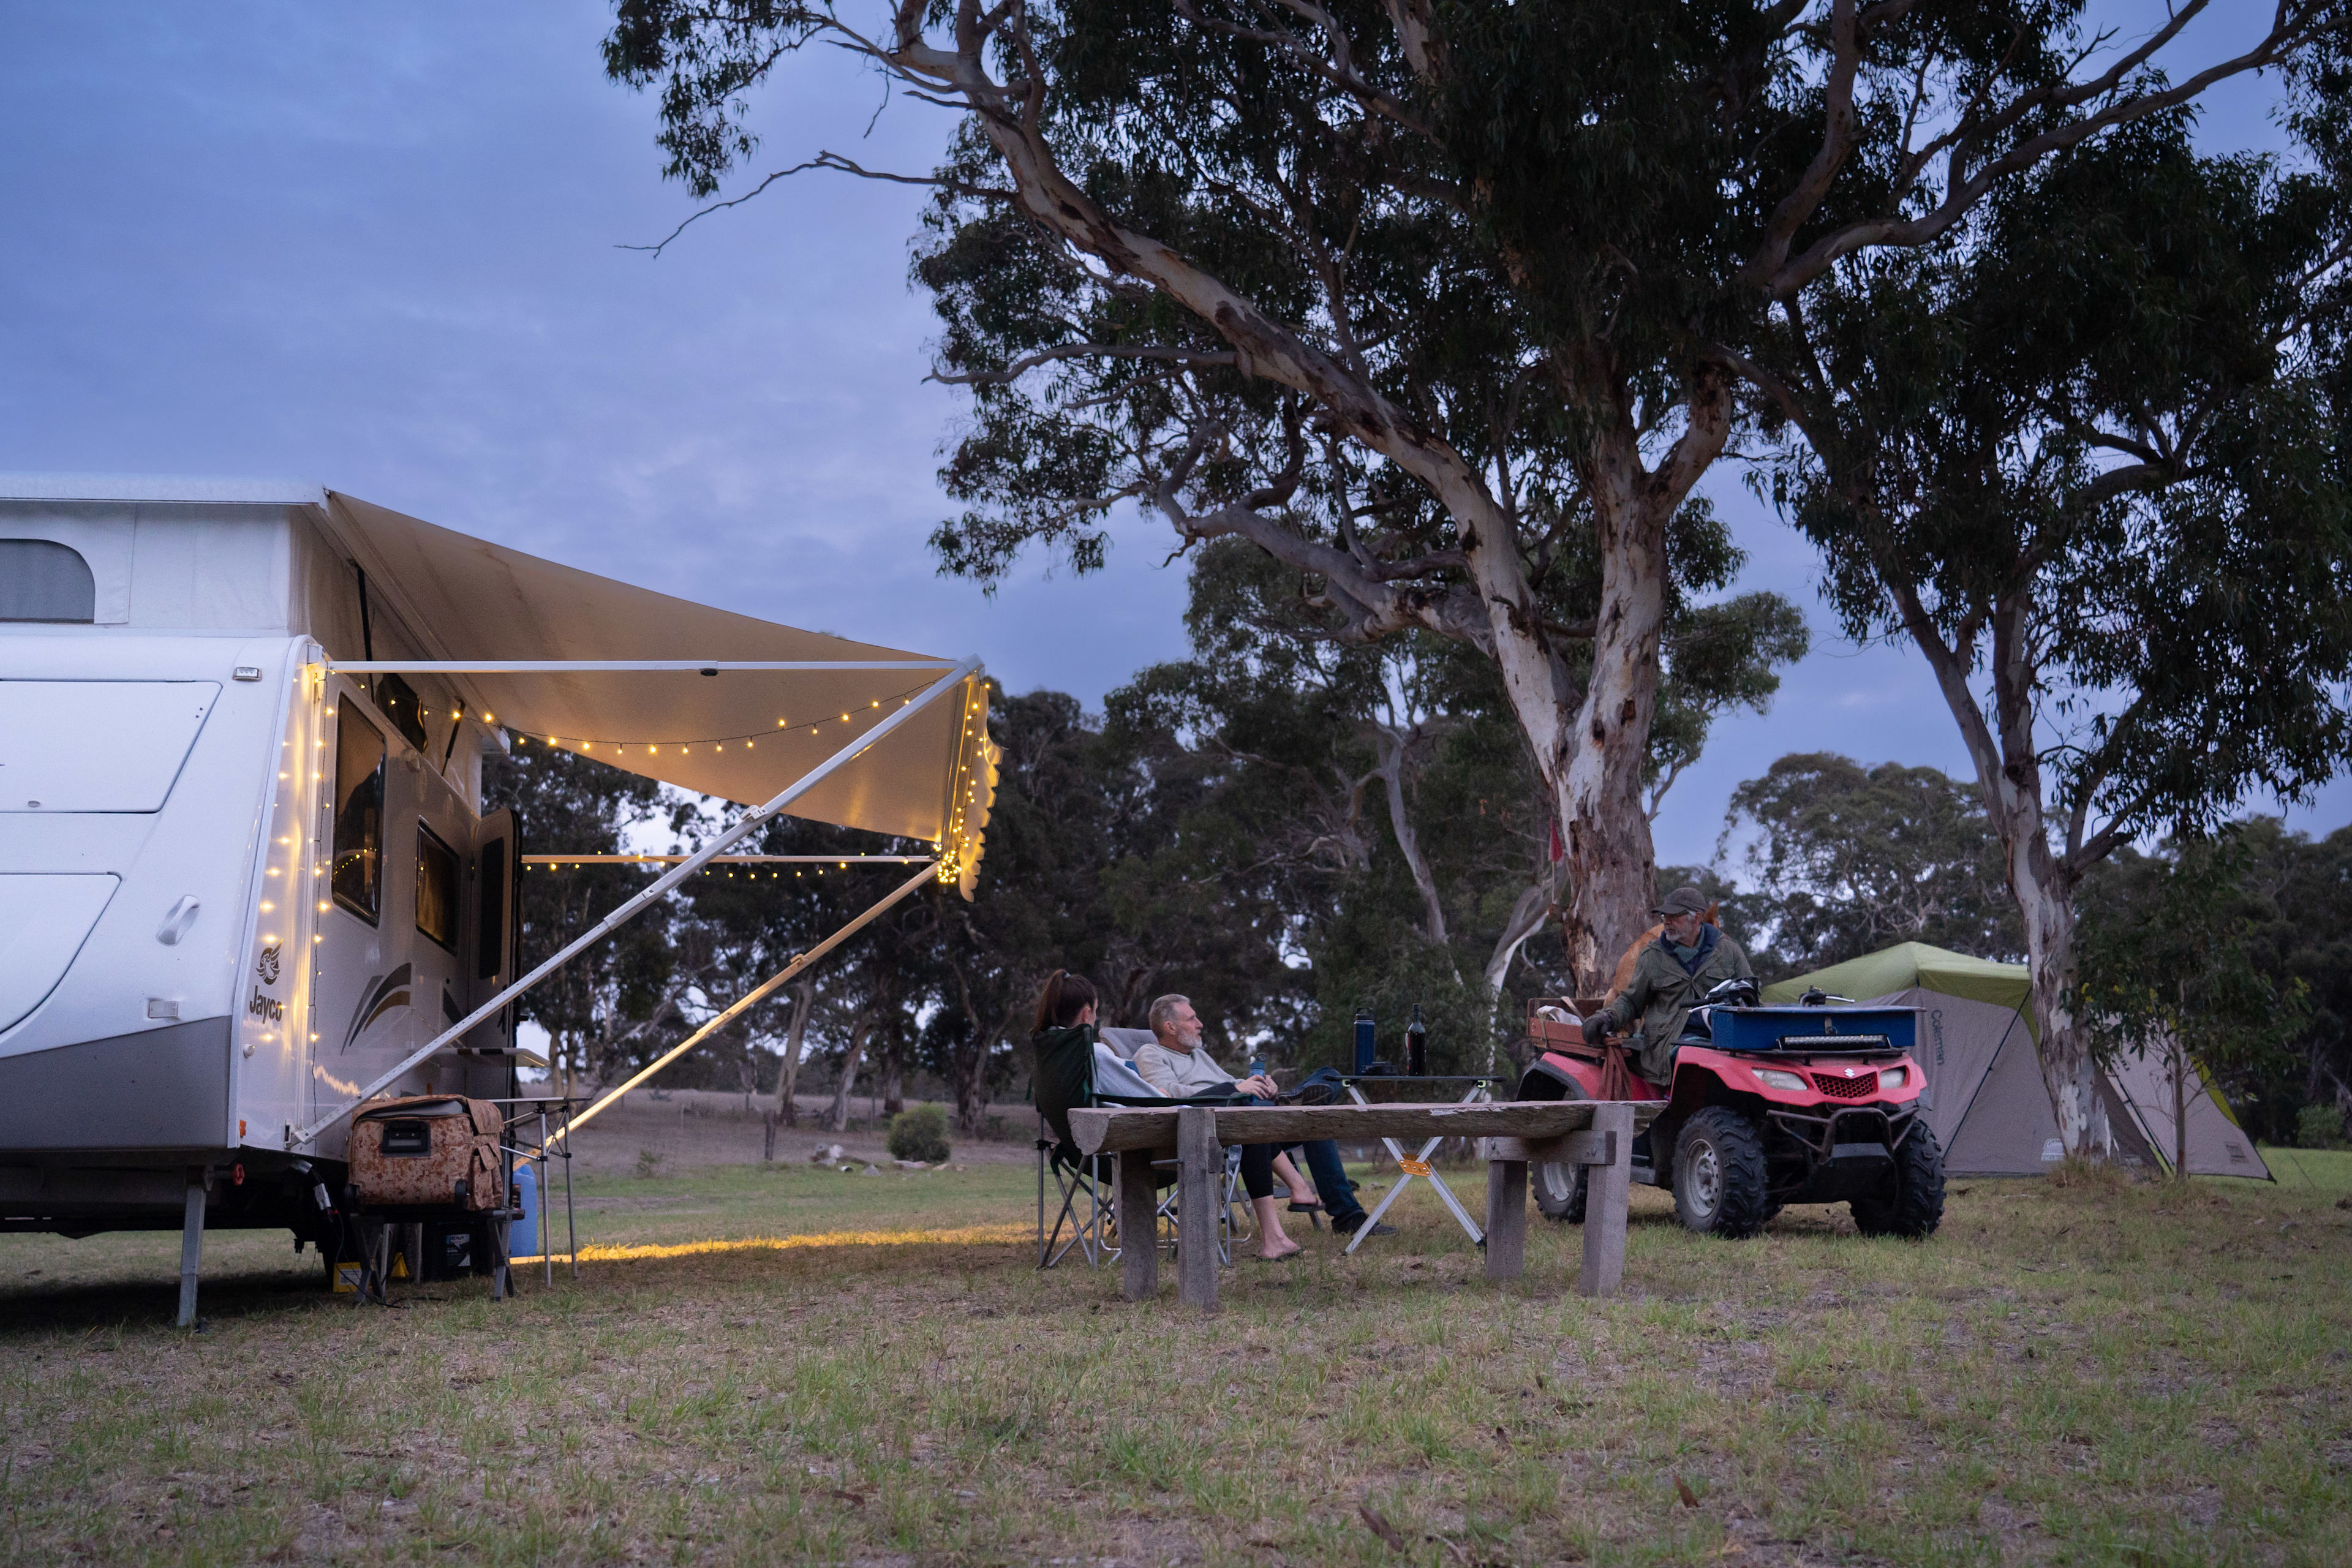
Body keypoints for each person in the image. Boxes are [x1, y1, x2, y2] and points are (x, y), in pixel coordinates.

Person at [1134, 993, 1391, 1248]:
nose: (1200, 1024)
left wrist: (1261, 1085)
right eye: (1192, 1019)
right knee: (1268, 1108)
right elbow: (1163, 1093)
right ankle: (1291, 1128)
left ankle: (1348, 1216)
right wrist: (1235, 1091)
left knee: (1327, 1081)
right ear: (1170, 1027)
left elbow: (1233, 1082)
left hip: (1251, 1115)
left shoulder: (1198, 1056)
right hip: (1219, 1126)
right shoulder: (1150, 1053)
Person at [1588, 886, 1755, 1085]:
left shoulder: (1729, 951)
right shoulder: (1652, 955)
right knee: (1701, 1065)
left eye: (1675, 916)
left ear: (1697, 918)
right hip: (1669, 1042)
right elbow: (1631, 1002)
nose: (1667, 921)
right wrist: (1608, 1016)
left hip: (1723, 1038)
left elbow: (1750, 995)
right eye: (1665, 915)